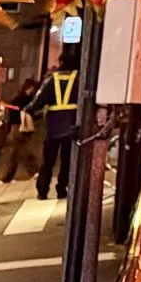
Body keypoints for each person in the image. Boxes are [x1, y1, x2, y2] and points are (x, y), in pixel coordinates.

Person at [37, 50, 80, 200]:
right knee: (67, 161)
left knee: (48, 161)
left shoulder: (51, 80)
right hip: (71, 126)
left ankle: (43, 190)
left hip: (53, 127)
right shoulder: (78, 79)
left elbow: (38, 101)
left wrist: (27, 110)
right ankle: (62, 189)